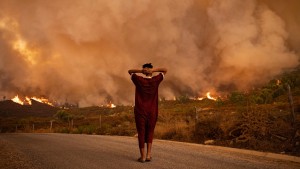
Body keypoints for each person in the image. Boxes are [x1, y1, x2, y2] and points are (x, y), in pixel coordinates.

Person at [128, 63, 167, 163]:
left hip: (140, 111)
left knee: (141, 133)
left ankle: (143, 157)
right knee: (150, 132)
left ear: (145, 71)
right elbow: (165, 70)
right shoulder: (156, 80)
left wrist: (141, 71)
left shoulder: (139, 80)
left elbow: (130, 71)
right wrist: (153, 70)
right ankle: (149, 155)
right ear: (150, 70)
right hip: (152, 111)